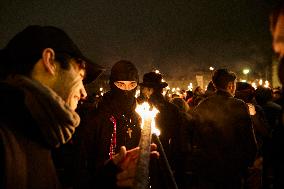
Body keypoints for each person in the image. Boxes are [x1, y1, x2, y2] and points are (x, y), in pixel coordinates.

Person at [0, 25, 157, 189]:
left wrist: (106, 178)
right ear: (50, 62)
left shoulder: (36, 133)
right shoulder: (8, 139)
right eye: (80, 75)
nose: (83, 93)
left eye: (131, 84)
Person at [73, 60, 144, 188]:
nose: (126, 90)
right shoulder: (96, 117)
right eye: (121, 85)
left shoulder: (140, 117)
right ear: (112, 84)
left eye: (131, 85)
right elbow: (81, 162)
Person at [191, 68, 258, 189]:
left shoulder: (203, 105)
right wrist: (248, 163)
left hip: (207, 167)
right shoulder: (238, 105)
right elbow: (248, 139)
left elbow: (194, 135)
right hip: (232, 167)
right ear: (231, 85)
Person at [138, 71, 193, 189]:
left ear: (149, 89)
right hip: (167, 157)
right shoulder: (172, 108)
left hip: (150, 157)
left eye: (144, 88)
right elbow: (179, 139)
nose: (142, 91)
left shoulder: (140, 108)